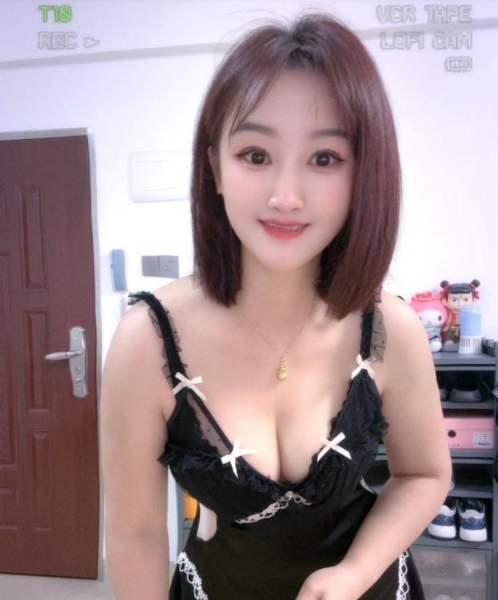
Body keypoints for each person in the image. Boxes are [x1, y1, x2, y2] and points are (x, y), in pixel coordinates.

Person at [100, 11, 452, 600]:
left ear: (362, 175)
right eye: (256, 155)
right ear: (214, 167)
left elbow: (424, 473)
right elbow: (134, 532)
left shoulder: (388, 327)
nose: (286, 197)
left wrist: (354, 572)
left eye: (325, 158)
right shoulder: (150, 341)